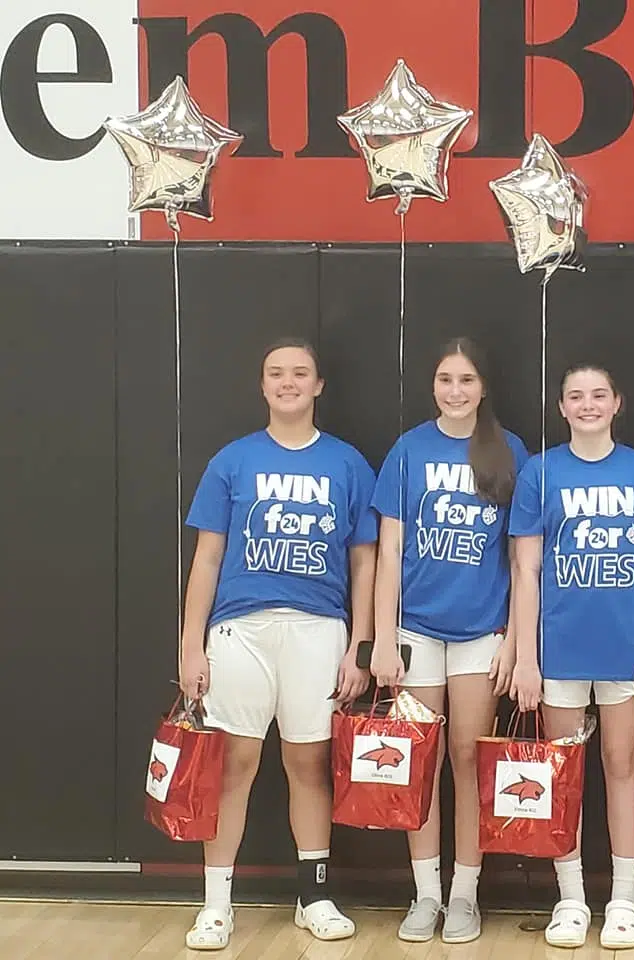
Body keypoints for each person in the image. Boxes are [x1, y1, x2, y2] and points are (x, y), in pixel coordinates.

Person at [178, 338, 378, 950]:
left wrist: (360, 644)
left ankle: (313, 896)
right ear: (263, 385)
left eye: (300, 373)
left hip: (318, 629)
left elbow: (365, 562)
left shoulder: (347, 463)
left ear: (318, 386)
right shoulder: (233, 460)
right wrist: (190, 646)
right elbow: (207, 558)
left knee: (309, 763)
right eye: (276, 373)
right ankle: (216, 905)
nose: (288, 382)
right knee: (234, 763)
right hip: (241, 630)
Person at [510, 363, 634, 951]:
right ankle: (570, 899)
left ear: (616, 403)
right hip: (559, 650)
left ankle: (624, 900)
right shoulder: (540, 472)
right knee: (561, 773)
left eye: (598, 395)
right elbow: (527, 570)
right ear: (561, 407)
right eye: (576, 396)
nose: (588, 404)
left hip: (626, 651)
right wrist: (526, 657)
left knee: (621, 764)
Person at [369, 337, 528, 944]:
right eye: (445, 380)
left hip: (481, 632)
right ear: (432, 385)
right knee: (419, 761)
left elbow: (523, 558)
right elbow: (388, 552)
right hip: (415, 630)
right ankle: (426, 894)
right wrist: (383, 638)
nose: (455, 391)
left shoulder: (509, 450)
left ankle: (464, 894)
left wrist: (514, 640)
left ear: (483, 387)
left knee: (467, 757)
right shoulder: (409, 450)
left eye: (466, 380)